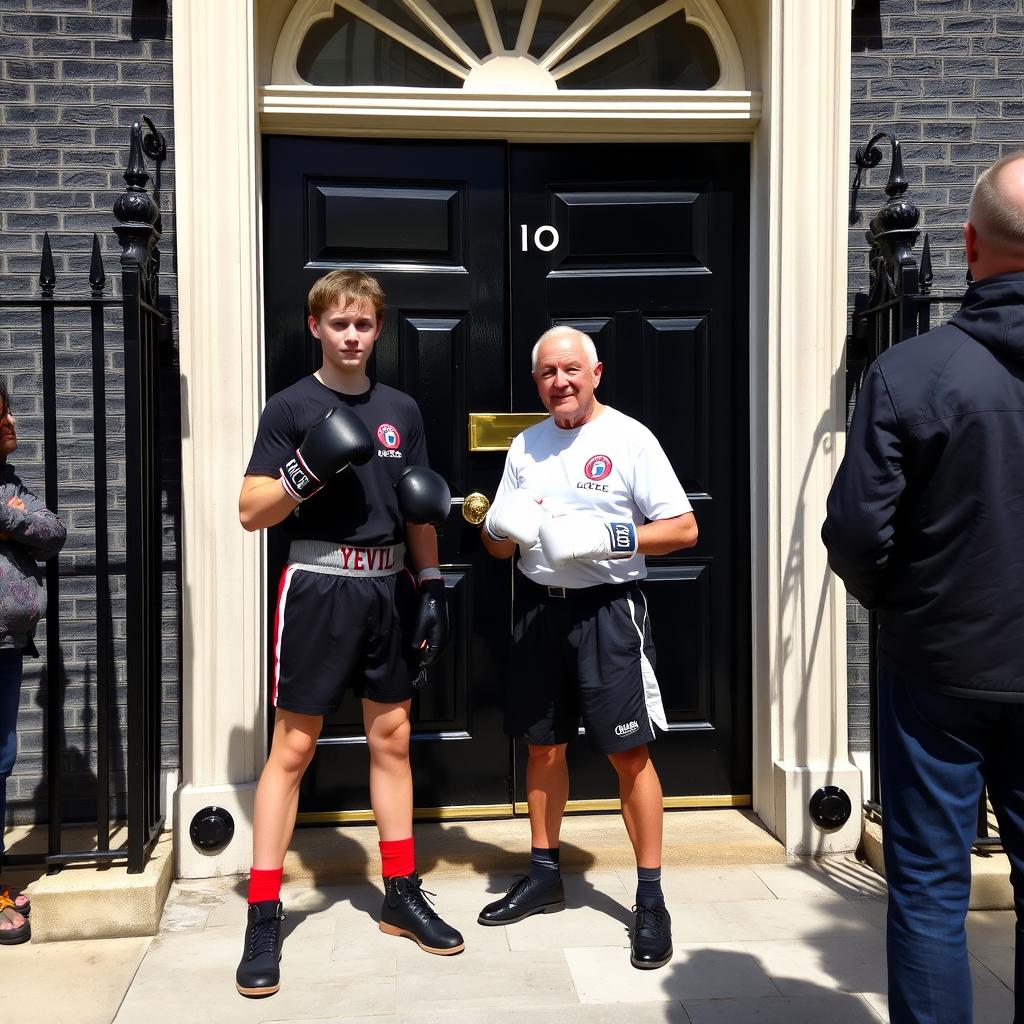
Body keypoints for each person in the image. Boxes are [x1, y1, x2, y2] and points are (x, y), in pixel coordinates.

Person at [822, 152, 1024, 1024]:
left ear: (969, 244)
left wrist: (903, 606)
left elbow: (856, 534)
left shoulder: (910, 372)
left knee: (933, 891)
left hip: (938, 667)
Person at [235, 270, 462, 999]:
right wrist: (306, 470)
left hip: (386, 586)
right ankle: (264, 910)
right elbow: (251, 510)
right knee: (293, 747)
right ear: (316, 328)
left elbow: (419, 508)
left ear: (377, 330)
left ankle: (399, 890)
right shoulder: (291, 406)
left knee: (391, 739)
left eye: (364, 325)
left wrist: (431, 587)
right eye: (340, 324)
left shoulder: (402, 408)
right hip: (318, 587)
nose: (353, 336)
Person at [477, 325, 698, 970]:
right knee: (543, 744)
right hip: (541, 612)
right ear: (537, 381)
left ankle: (650, 897)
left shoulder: (629, 438)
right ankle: (544, 873)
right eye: (548, 373)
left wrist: (611, 539)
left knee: (629, 753)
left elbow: (683, 528)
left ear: (596, 372)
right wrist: (497, 526)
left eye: (571, 370)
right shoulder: (526, 445)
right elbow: (499, 546)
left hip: (609, 613)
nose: (560, 383)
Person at [0, 377, 67, 945]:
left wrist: (8, 514)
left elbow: (52, 530)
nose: (12, 425)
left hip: (7, 639)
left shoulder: (7, 482)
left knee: (0, 758)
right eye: (2, 415)